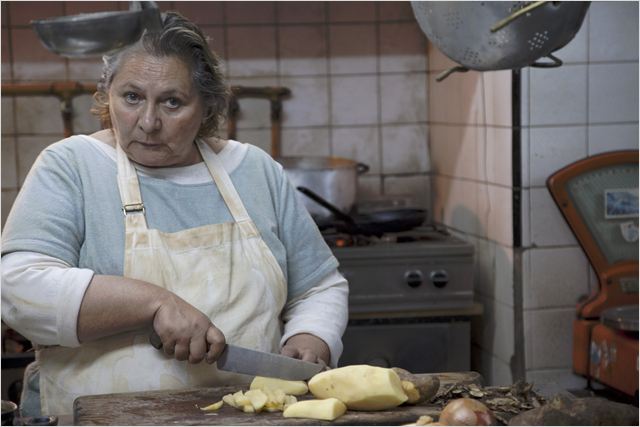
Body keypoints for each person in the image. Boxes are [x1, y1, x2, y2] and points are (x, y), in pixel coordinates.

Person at [1, 12, 348, 417]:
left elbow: (318, 287)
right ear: (107, 94)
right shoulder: (73, 166)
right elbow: (19, 289)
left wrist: (312, 336)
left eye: (172, 102)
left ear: (207, 107)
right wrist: (154, 303)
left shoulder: (254, 171)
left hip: (251, 418)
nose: (148, 123)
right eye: (131, 97)